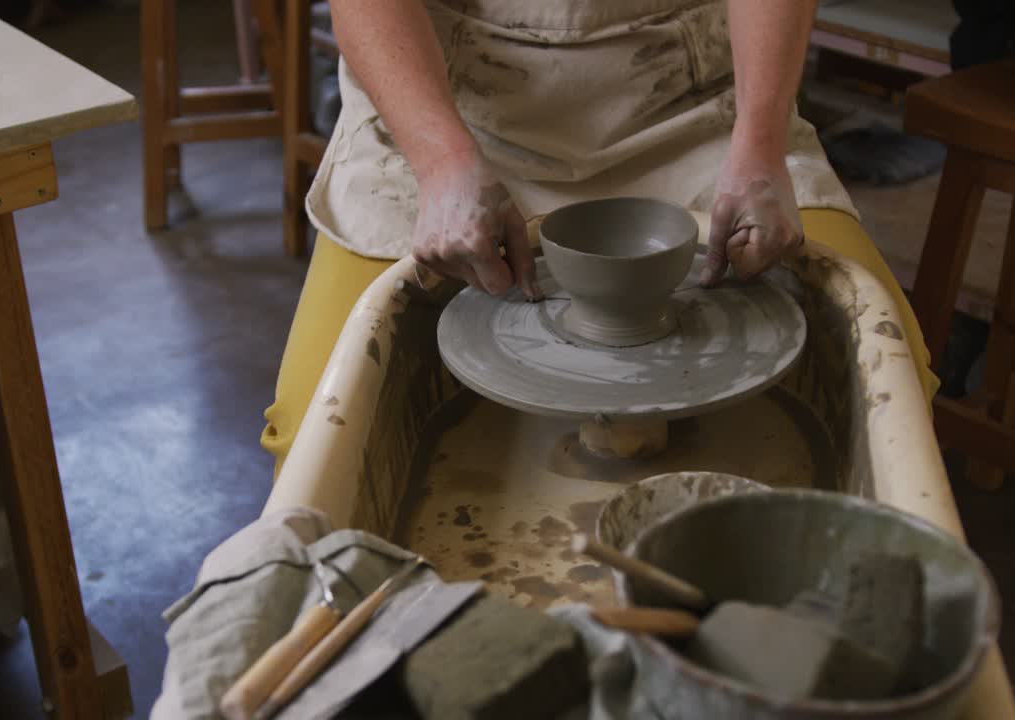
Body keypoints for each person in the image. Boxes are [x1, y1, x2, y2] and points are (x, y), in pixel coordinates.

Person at [261, 0, 936, 474]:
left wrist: (759, 143)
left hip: (693, 96)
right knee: (315, 437)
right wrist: (441, 161)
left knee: (892, 387)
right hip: (452, 101)